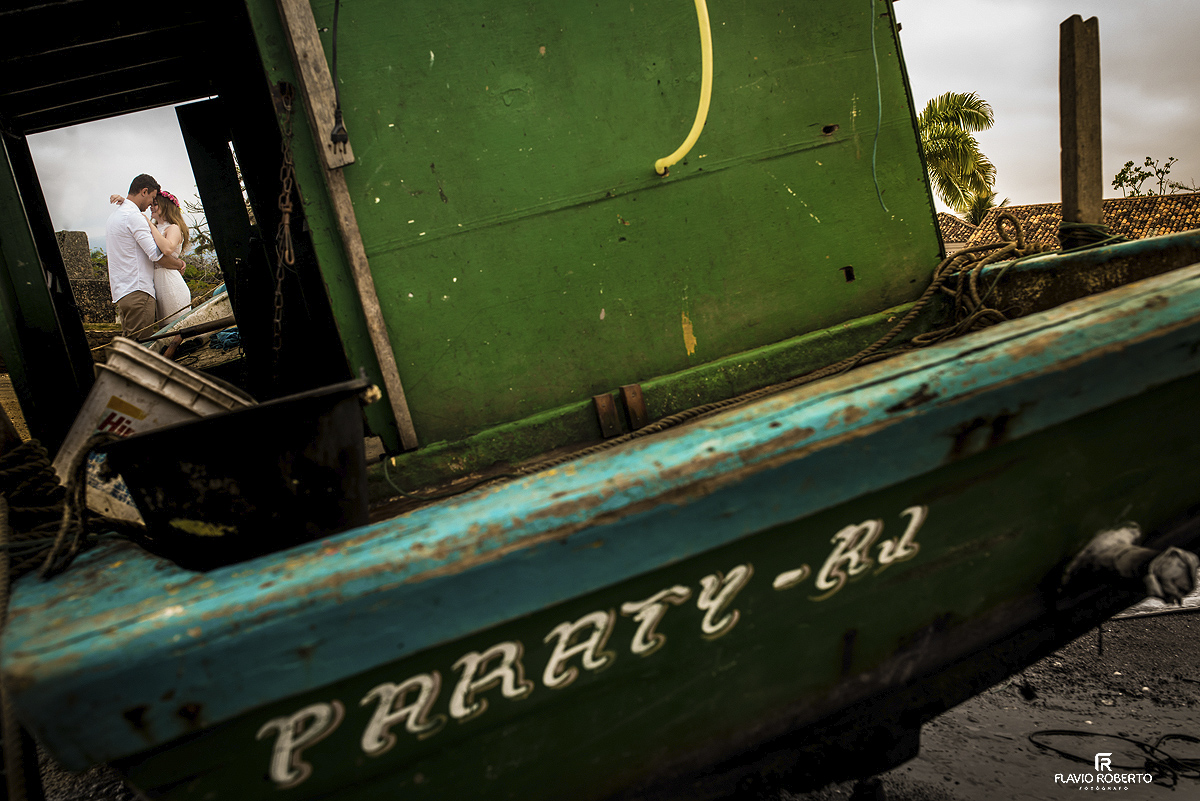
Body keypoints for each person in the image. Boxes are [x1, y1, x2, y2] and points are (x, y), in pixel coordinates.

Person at [104, 175, 185, 339]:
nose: (151, 204)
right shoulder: (134, 216)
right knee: (140, 349)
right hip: (138, 290)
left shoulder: (115, 216)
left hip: (122, 291)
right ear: (144, 191)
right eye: (152, 198)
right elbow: (156, 255)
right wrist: (179, 264)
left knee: (132, 346)